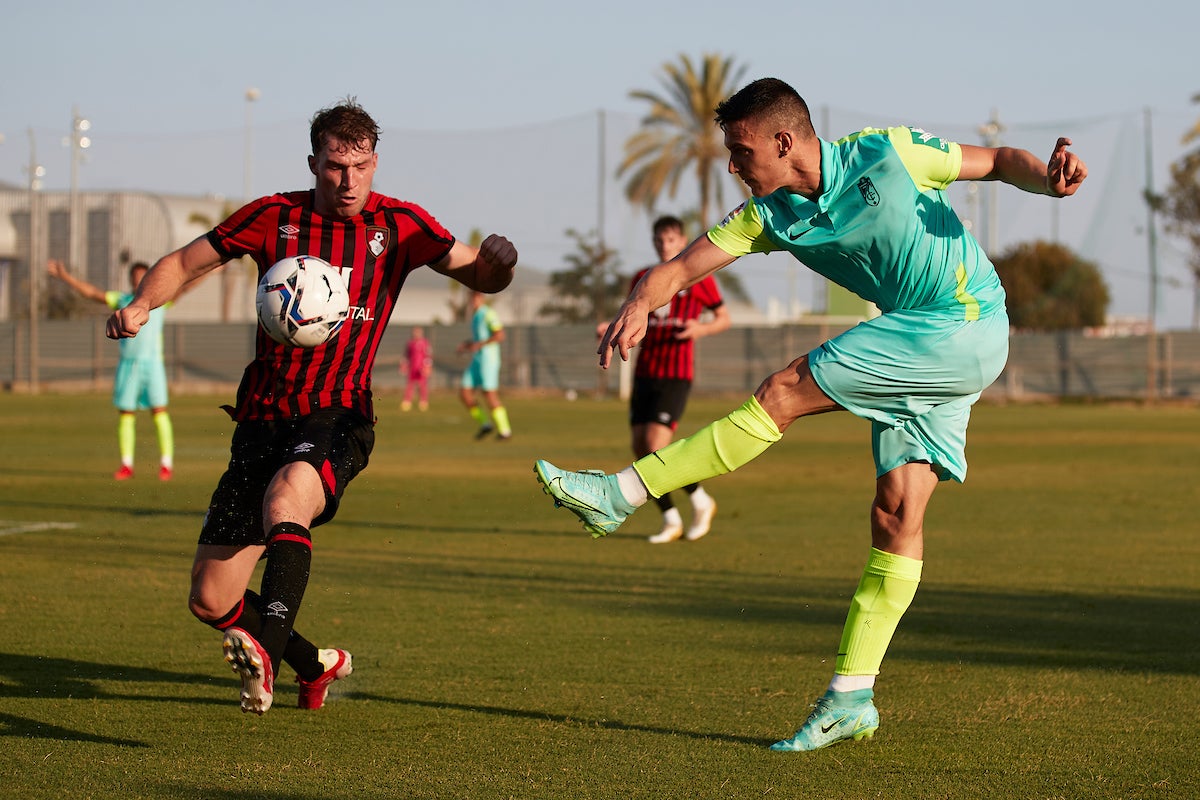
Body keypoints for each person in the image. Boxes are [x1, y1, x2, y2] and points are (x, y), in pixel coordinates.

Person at [535, 78, 1086, 750]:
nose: (734, 168)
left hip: (963, 321)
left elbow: (998, 162)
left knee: (783, 390)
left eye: (741, 153)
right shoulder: (766, 215)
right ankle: (852, 697)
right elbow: (680, 269)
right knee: (897, 513)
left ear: (784, 141)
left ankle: (621, 493)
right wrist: (639, 302)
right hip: (925, 342)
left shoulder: (889, 153)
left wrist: (1050, 182)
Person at [106, 99, 518, 715]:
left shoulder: (400, 226)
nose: (346, 180)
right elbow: (183, 262)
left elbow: (479, 276)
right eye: (333, 166)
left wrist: (498, 268)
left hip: (338, 412)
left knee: (286, 499)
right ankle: (315, 663)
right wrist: (143, 303)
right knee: (211, 598)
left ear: (375, 163)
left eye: (359, 166)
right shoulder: (273, 217)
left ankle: (265, 655)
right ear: (313, 162)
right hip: (261, 417)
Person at [614, 215, 730, 543]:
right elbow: (631, 313)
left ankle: (699, 500)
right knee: (641, 448)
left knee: (655, 446)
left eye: (671, 240)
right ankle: (672, 517)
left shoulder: (699, 279)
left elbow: (724, 318)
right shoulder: (642, 277)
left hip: (676, 374)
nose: (664, 246)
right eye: (659, 240)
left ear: (681, 241)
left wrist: (700, 328)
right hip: (645, 372)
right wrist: (614, 328)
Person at [48, 258, 176, 481]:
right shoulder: (123, 300)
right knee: (126, 413)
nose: (139, 280)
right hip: (128, 365)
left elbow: (187, 281)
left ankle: (166, 464)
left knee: (159, 412)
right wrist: (64, 276)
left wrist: (213, 268)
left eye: (143, 277)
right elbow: (92, 293)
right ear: (130, 280)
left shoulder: (160, 301)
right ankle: (127, 464)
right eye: (135, 277)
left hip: (153, 364)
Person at [457, 290, 512, 440]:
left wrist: (480, 344)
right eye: (471, 297)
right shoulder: (476, 316)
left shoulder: (489, 313)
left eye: (476, 297)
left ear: (482, 298)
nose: (473, 300)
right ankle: (485, 424)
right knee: (465, 393)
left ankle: (505, 431)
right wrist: (466, 345)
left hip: (489, 359)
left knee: (489, 394)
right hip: (477, 359)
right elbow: (478, 340)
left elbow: (500, 335)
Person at [401, 326, 433, 412]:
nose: (416, 334)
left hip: (422, 367)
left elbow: (428, 355)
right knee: (410, 385)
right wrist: (404, 365)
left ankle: (423, 402)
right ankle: (407, 402)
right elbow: (406, 356)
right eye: (415, 332)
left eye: (418, 332)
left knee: (422, 385)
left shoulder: (425, 343)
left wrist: (428, 366)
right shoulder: (410, 343)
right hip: (412, 367)